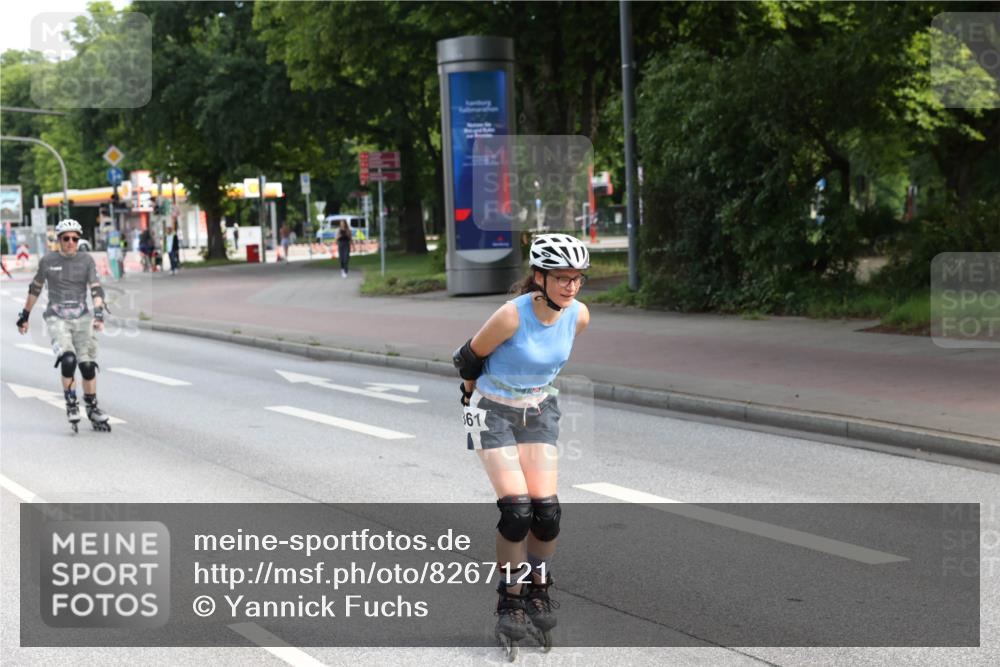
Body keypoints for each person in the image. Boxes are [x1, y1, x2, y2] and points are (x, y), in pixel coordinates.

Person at [452, 233, 590, 652]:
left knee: (546, 512)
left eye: (577, 278)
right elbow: (467, 357)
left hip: (538, 410)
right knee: (517, 510)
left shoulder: (578, 315)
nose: (570, 286)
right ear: (539, 277)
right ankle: (509, 602)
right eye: (561, 277)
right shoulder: (511, 316)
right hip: (492, 409)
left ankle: (538, 588)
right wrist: (470, 391)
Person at [16, 219, 111, 432]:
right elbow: (35, 288)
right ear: (58, 240)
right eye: (66, 238)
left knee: (87, 365)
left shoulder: (86, 260)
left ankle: (92, 408)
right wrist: (25, 315)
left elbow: (96, 289)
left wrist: (98, 314)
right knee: (68, 360)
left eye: (74, 239)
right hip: (57, 316)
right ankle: (71, 404)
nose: (70, 242)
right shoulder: (48, 261)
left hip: (82, 316)